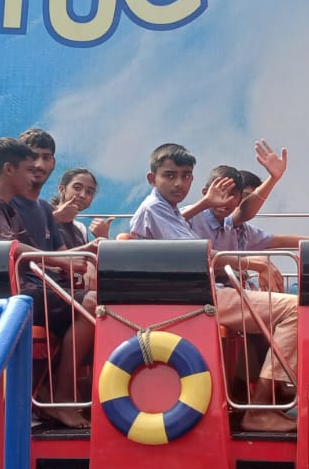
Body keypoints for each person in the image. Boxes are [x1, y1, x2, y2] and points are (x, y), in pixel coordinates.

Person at [129, 143, 300, 433]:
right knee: (293, 309)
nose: (178, 183)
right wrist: (254, 263)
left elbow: (244, 214)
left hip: (202, 291)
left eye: (185, 176)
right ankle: (259, 408)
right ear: (152, 178)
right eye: (170, 175)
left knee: (270, 314)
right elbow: (200, 254)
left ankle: (265, 394)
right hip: (194, 296)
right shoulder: (159, 209)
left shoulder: (173, 211)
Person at [0, 137, 95, 428]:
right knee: (90, 303)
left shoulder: (7, 207)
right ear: (9, 170)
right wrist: (63, 262)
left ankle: (53, 390)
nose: (34, 172)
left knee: (96, 300)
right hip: (8, 294)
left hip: (26, 289)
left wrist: (82, 256)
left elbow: (34, 251)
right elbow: (11, 248)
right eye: (27, 168)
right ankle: (61, 397)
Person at [48, 167, 113, 247]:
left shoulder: (80, 228)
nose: (83, 195)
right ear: (62, 190)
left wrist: (103, 238)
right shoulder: (44, 213)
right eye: (77, 188)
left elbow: (85, 254)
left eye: (89, 192)